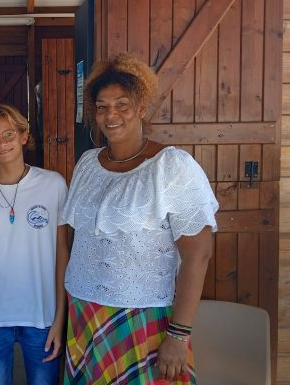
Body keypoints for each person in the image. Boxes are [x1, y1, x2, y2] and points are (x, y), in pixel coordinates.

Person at [61, 53, 218, 384]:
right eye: (102, 107)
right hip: (85, 311)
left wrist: (179, 334)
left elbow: (198, 253)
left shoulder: (171, 167)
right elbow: (79, 238)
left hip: (143, 315)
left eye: (122, 105)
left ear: (141, 108)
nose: (111, 115)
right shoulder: (87, 164)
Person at [0, 104, 70, 385]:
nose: (3, 143)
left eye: (9, 134)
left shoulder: (53, 185)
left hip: (42, 316)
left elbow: (62, 254)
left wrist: (60, 318)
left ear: (23, 135)